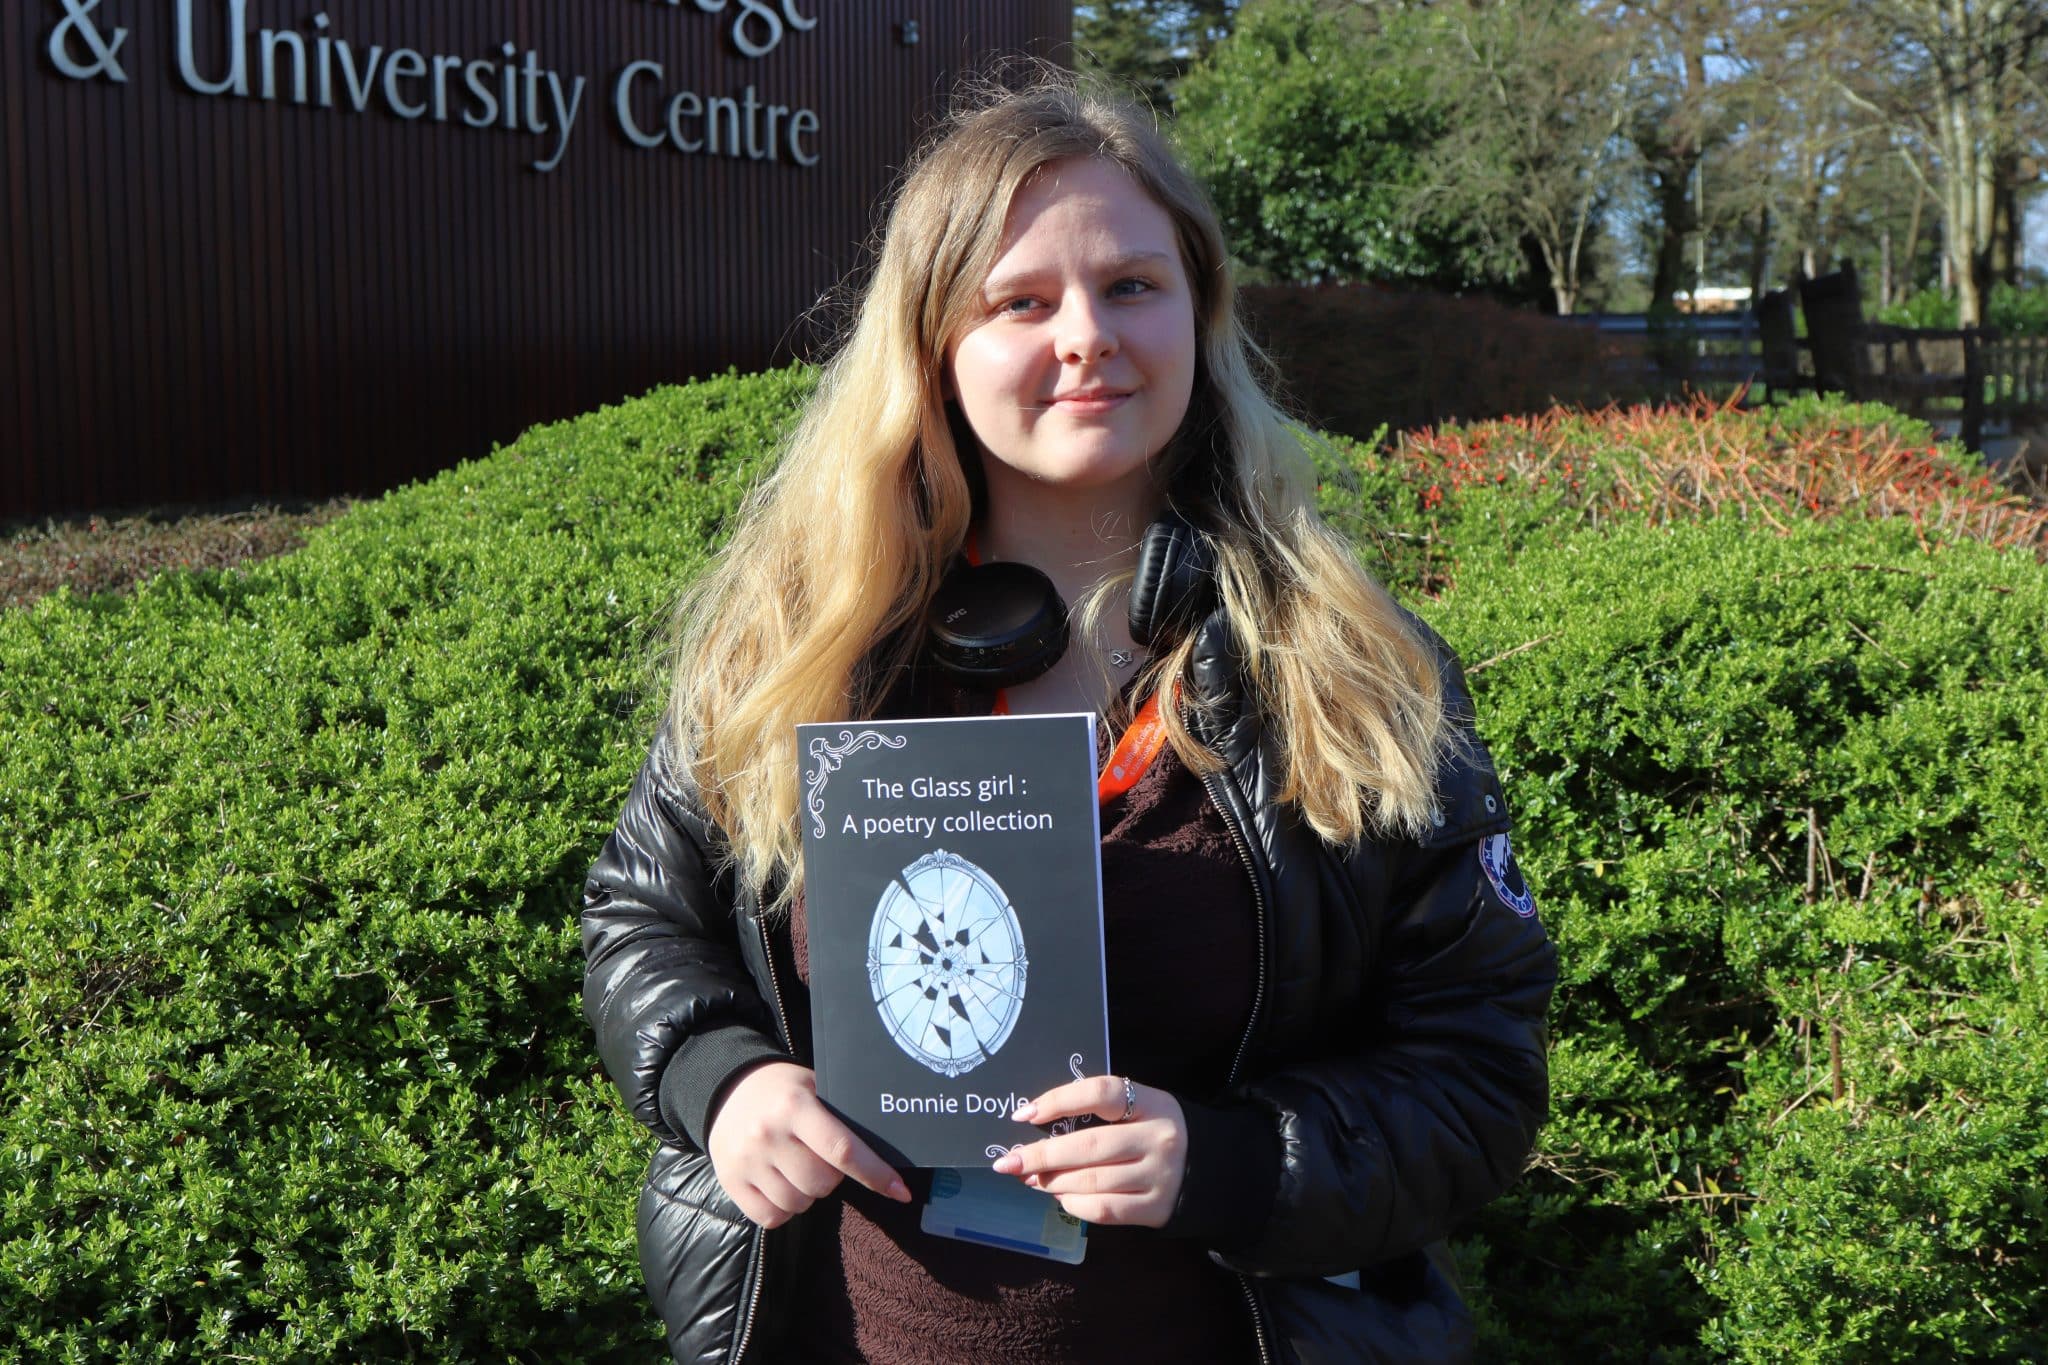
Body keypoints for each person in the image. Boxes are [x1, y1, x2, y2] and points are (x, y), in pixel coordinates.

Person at [582, 73, 1556, 1365]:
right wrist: (722, 1075)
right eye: (1022, 301)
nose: (1087, 334)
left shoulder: (1356, 675)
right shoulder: (796, 650)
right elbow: (646, 914)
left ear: (1201, 317)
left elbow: (1476, 1070)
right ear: (934, 346)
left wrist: (1234, 1159)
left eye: (1133, 286)